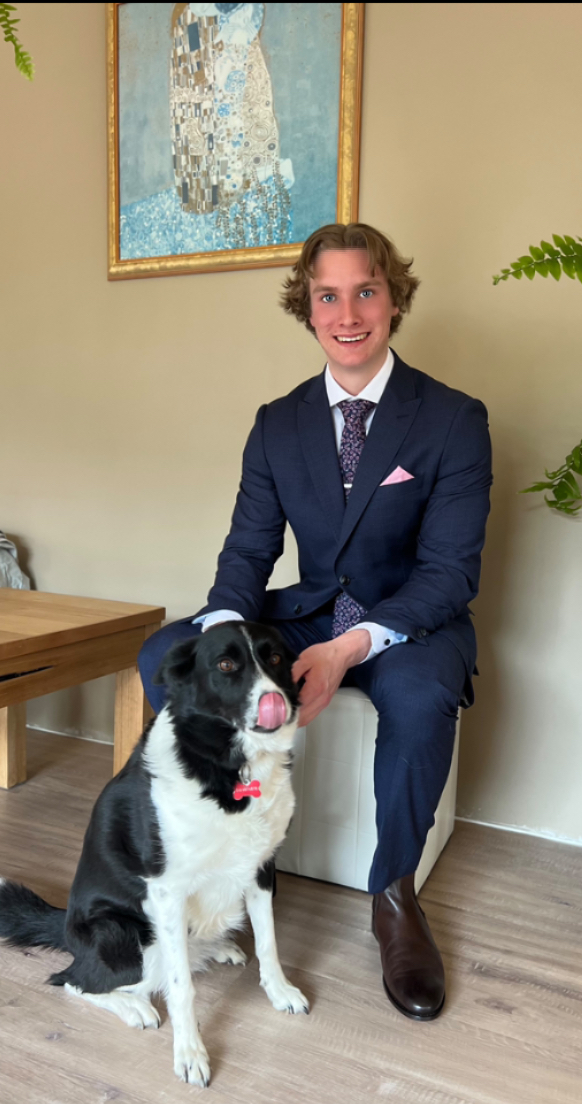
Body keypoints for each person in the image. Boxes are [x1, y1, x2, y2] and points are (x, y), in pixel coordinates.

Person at [138, 222, 492, 1021]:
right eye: (327, 295)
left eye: (365, 290)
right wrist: (220, 635)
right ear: (307, 308)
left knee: (417, 699)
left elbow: (449, 574)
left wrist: (349, 648)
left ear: (394, 298)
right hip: (307, 611)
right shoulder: (278, 422)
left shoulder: (452, 418)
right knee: (170, 652)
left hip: (414, 625)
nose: (348, 312)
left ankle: (394, 899)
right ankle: (211, 844)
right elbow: (247, 553)